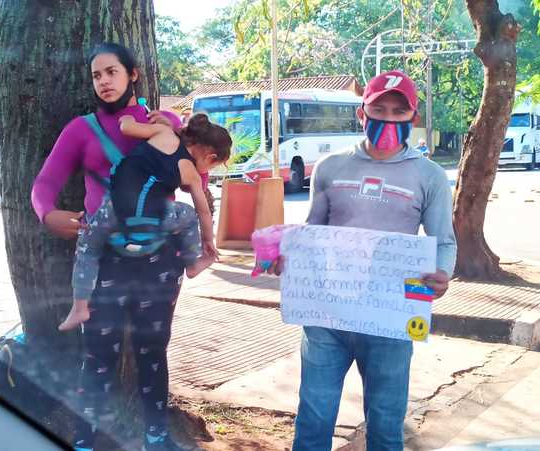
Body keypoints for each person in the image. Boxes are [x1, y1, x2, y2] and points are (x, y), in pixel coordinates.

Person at [269, 69, 457, 451]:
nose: (387, 119)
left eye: (397, 111)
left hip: (390, 318)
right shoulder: (330, 168)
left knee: (386, 427)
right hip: (327, 317)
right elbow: (314, 230)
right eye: (378, 109)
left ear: (413, 118)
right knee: (314, 420)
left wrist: (441, 274)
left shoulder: (430, 175)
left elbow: (444, 242)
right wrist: (292, 255)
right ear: (362, 114)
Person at [31, 42, 195, 451]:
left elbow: (194, 178)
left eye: (112, 72)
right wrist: (46, 213)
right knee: (98, 358)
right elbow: (44, 185)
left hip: (160, 259)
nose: (104, 81)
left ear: (133, 75)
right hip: (103, 261)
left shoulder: (160, 124)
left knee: (153, 353)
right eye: (96, 75)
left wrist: (172, 127)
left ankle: (156, 438)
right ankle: (85, 440)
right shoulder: (81, 130)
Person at [58, 113, 231, 331]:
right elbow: (203, 212)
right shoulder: (192, 174)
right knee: (187, 214)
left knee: (87, 246)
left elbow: (127, 128)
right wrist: (208, 240)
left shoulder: (164, 132)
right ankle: (192, 264)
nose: (207, 172)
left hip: (115, 210)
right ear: (211, 157)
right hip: (152, 217)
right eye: (213, 167)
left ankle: (79, 306)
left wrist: (127, 118)